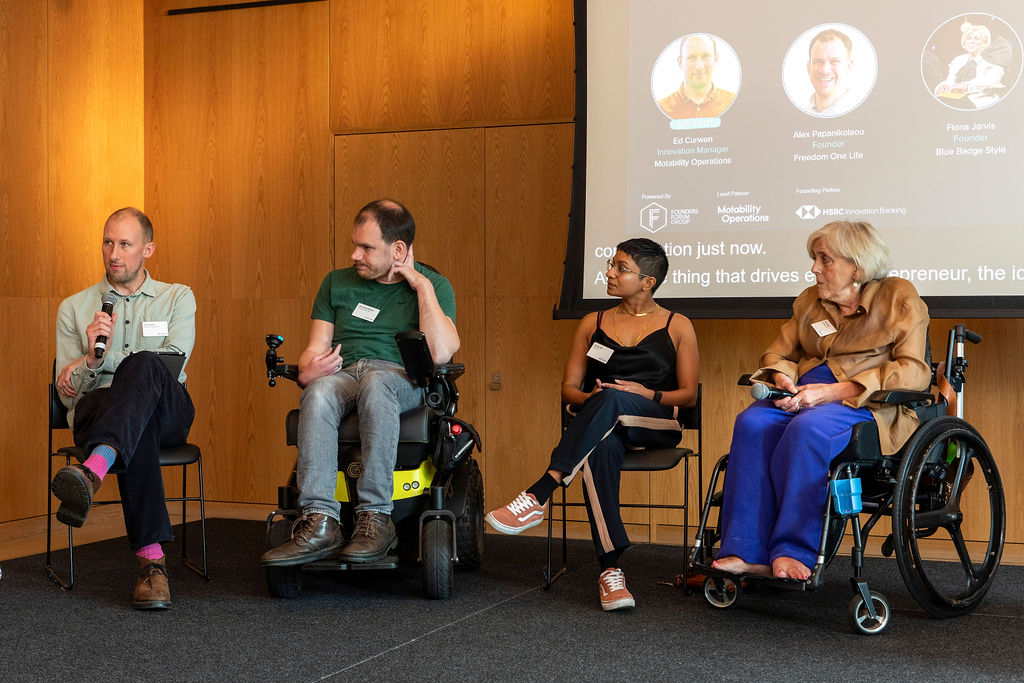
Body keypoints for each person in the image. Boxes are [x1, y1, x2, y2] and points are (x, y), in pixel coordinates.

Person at [486, 238, 699, 611]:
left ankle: (540, 491)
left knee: (613, 401)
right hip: (601, 423)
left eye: (620, 268)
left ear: (648, 282)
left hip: (657, 422)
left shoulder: (677, 325)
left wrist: (644, 393)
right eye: (610, 264)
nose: (610, 273)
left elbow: (688, 396)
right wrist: (593, 398)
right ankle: (610, 572)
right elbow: (569, 390)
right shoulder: (592, 323)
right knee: (601, 441)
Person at [712, 221, 929, 580]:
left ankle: (793, 550)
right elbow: (779, 353)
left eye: (824, 260)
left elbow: (913, 371)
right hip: (802, 394)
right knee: (751, 423)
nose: (814, 268)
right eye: (815, 259)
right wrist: (782, 378)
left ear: (856, 267)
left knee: (807, 431)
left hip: (863, 403)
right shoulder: (810, 301)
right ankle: (744, 548)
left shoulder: (898, 298)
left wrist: (832, 392)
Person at [260, 199, 458, 568]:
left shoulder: (434, 286)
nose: (355, 254)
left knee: (377, 383)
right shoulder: (335, 283)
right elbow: (311, 354)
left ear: (398, 249)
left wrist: (420, 286)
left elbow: (443, 352)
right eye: (355, 244)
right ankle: (321, 521)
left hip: (399, 377)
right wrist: (311, 369)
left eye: (366, 247)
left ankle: (376, 517)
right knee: (318, 392)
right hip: (344, 374)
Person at [50, 207, 197, 610]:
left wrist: (99, 361)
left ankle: (92, 470)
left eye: (125, 244)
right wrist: (90, 363)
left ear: (147, 249)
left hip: (170, 408)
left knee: (146, 366)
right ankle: (153, 565)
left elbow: (173, 360)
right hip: (98, 411)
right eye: (108, 242)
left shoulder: (177, 297)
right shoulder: (74, 308)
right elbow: (68, 396)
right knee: (138, 423)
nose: (114, 253)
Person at [657, 34, 736, 119]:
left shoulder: (732, 102)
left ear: (715, 59)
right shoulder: (663, 108)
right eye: (692, 58)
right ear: (680, 62)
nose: (699, 66)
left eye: (705, 56)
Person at [934, 21, 1005, 109]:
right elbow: (950, 80)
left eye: (976, 38)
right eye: (969, 38)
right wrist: (941, 87)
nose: (971, 41)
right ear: (964, 42)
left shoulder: (991, 60)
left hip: (979, 102)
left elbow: (990, 80)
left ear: (985, 42)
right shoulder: (958, 60)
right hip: (954, 100)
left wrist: (966, 86)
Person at [805, 29, 857, 116]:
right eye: (818, 61)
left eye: (835, 62)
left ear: (848, 66)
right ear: (809, 67)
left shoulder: (863, 112)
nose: (825, 70)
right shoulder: (797, 114)